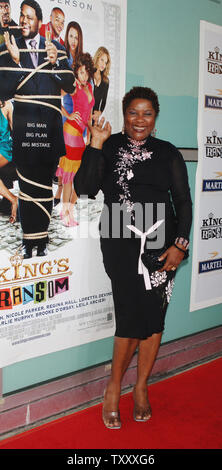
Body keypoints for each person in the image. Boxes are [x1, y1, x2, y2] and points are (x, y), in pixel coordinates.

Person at [74, 86, 192, 429]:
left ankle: (140, 388)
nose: (140, 120)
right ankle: (113, 390)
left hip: (160, 241)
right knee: (130, 316)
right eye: (133, 113)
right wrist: (94, 144)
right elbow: (84, 189)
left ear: (156, 118)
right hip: (119, 238)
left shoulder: (168, 152)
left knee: (155, 317)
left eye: (147, 114)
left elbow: (183, 202)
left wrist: (180, 245)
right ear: (124, 115)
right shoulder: (108, 146)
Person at [0, 0, 75, 258]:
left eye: (29, 17)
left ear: (39, 23)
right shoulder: (7, 48)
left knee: (43, 187)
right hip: (24, 131)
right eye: (21, 16)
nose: (23, 21)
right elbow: (2, 90)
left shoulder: (56, 49)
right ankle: (27, 239)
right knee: (27, 188)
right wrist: (17, 62)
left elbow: (71, 84)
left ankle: (41, 240)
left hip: (49, 132)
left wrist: (54, 64)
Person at [56, 52, 95, 226]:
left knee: (78, 178)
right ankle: (66, 215)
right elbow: (56, 96)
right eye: (81, 72)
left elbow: (88, 116)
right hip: (70, 133)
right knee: (69, 178)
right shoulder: (74, 86)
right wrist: (68, 115)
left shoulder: (90, 88)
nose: (84, 76)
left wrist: (89, 135)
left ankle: (68, 212)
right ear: (76, 72)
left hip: (80, 136)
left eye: (86, 72)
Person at [54, 21, 83, 206]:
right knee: (64, 159)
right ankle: (60, 191)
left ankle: (67, 197)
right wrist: (66, 114)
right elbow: (58, 93)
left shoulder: (82, 61)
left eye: (76, 36)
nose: (73, 40)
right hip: (67, 116)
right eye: (71, 35)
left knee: (74, 162)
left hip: (81, 120)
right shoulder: (64, 60)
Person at [0, 99, 17, 222]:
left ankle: (12, 199)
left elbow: (16, 132)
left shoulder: (7, 105)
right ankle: (12, 199)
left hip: (4, 148)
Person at [92, 46, 110, 121]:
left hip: (94, 118)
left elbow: (104, 101)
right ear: (97, 58)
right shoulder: (88, 74)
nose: (103, 64)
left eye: (105, 62)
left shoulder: (105, 81)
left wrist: (99, 112)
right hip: (84, 115)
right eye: (102, 60)